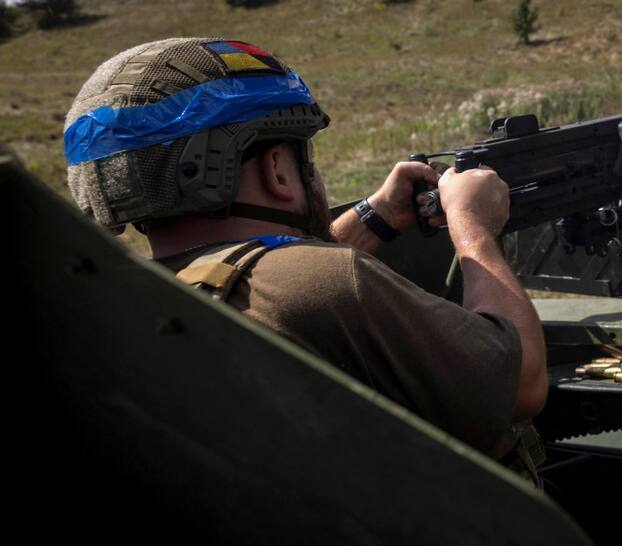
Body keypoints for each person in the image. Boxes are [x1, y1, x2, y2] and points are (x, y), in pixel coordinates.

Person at [62, 37, 547, 463]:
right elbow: (521, 383)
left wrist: (375, 216)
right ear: (276, 168)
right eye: (303, 154)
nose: (312, 174)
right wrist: (474, 226)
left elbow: (255, 273)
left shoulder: (135, 299)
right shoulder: (334, 282)